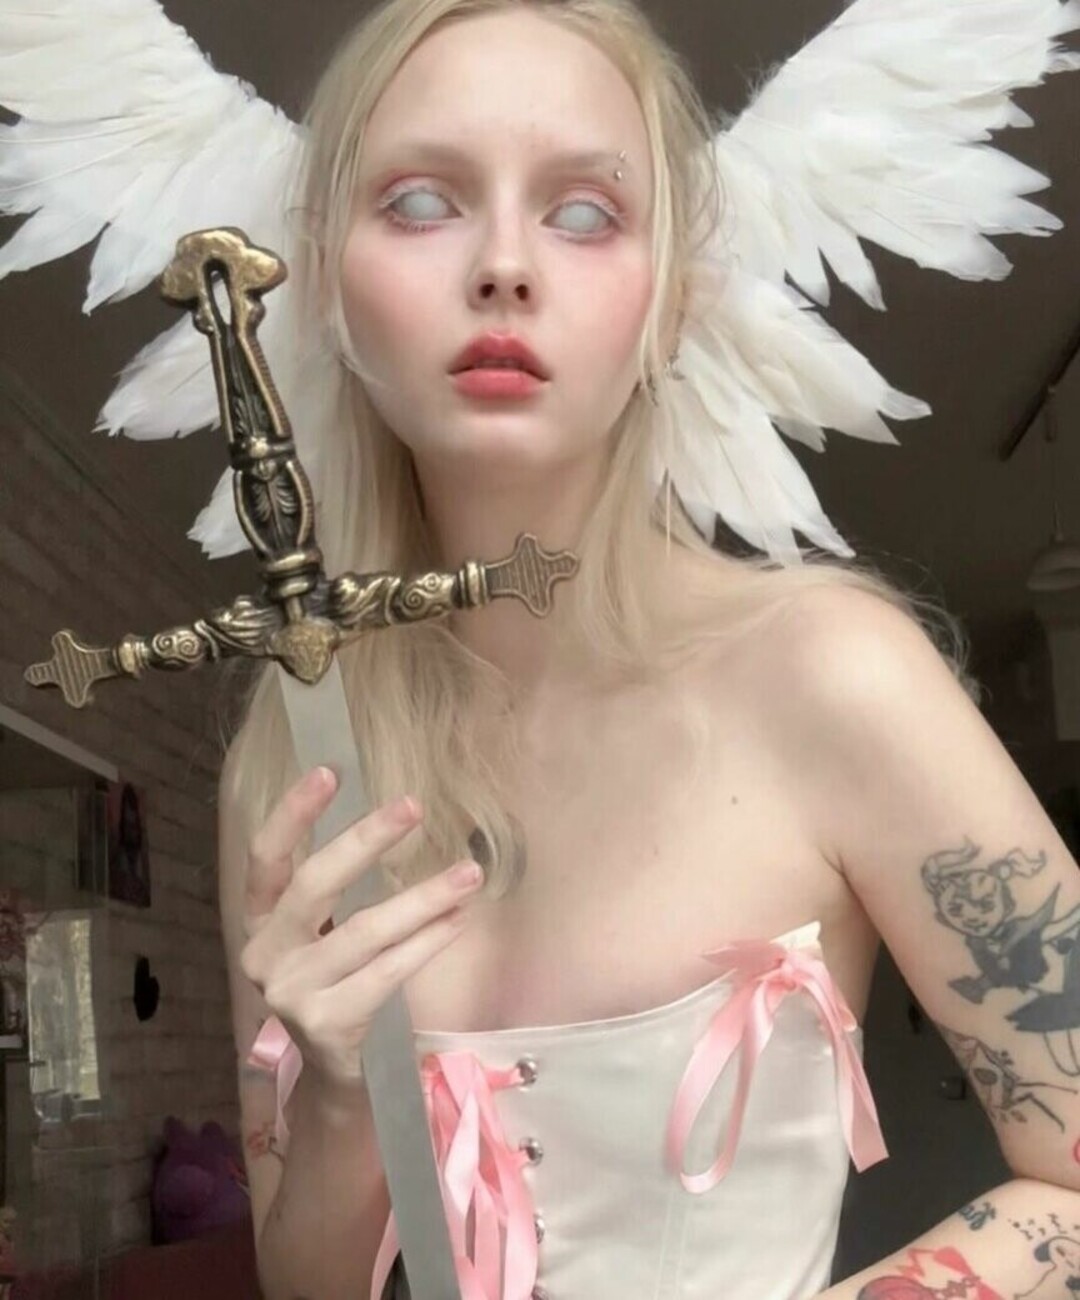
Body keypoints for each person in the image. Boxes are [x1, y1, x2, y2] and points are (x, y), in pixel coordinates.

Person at [2, 0, 1076, 1296]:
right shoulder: (290, 764)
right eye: (419, 202)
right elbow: (307, 1284)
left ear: (672, 303)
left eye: (584, 211)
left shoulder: (835, 676)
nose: (505, 264)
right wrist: (338, 1096)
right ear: (325, 289)